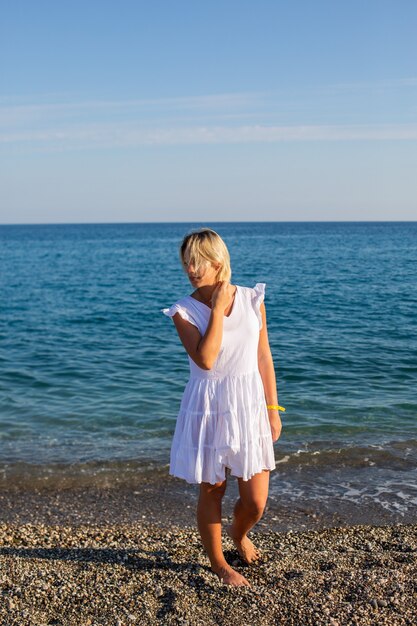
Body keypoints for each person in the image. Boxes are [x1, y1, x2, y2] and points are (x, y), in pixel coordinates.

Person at [161, 227, 283, 587]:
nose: (191, 269)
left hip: (248, 404)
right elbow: (207, 359)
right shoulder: (183, 311)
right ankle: (219, 565)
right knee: (212, 488)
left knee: (256, 501)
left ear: (218, 261)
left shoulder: (251, 299)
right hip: (209, 405)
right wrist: (215, 308)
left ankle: (239, 532)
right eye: (186, 261)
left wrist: (273, 408)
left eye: (198, 261)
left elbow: (264, 356)